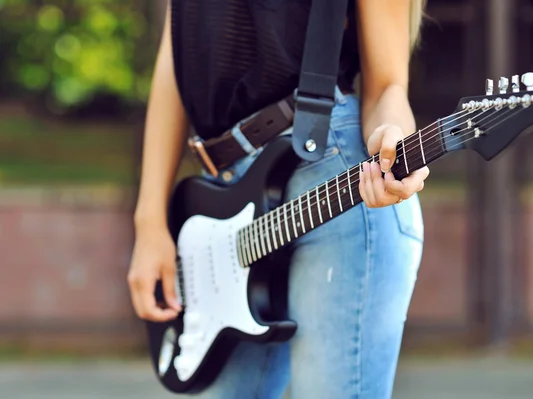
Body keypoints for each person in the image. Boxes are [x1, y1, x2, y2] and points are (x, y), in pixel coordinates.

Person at [127, 0, 430, 397]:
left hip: (333, 186)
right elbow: (178, 46)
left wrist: (393, 144)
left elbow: (388, 86)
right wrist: (149, 222)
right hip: (222, 202)